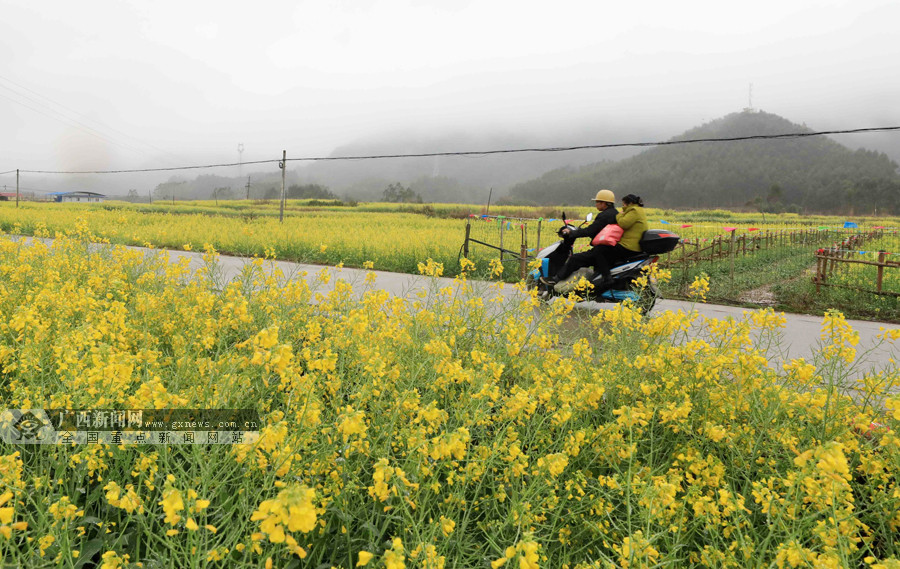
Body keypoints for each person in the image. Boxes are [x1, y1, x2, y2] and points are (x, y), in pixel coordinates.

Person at [539, 189, 618, 288]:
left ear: (605, 203)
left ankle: (555, 280)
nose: (596, 204)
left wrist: (572, 233)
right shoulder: (615, 213)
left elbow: (591, 230)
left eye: (598, 202)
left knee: (575, 259)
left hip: (603, 250)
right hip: (610, 248)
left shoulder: (604, 216)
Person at [591, 194, 648, 286]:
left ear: (630, 203)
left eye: (624, 205)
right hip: (633, 244)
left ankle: (607, 278)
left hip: (629, 246)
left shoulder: (634, 211)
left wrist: (619, 215)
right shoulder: (638, 210)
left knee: (599, 250)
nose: (623, 207)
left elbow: (623, 223)